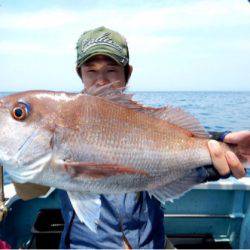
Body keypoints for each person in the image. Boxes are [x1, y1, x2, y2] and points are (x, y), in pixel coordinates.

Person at [57, 26, 249, 249]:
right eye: (91, 71)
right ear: (79, 73)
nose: (102, 81)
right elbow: (28, 188)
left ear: (127, 73)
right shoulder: (62, 122)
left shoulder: (149, 121)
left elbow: (178, 144)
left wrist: (224, 144)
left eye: (111, 70)